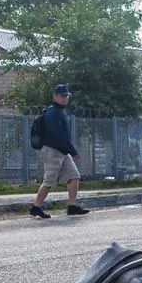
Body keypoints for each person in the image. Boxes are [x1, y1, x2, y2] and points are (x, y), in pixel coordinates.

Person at [30, 83, 89, 218]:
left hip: (62, 151)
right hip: (52, 151)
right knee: (49, 181)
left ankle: (72, 207)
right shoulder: (51, 113)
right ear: (55, 96)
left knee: (74, 177)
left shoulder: (61, 112)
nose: (65, 98)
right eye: (62, 96)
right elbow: (57, 134)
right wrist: (73, 150)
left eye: (67, 96)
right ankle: (36, 207)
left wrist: (69, 150)